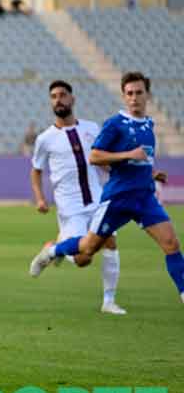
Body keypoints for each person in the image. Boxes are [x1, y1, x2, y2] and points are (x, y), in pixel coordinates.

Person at [30, 72, 184, 305]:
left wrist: (152, 173)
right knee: (87, 251)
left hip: (144, 198)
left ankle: (175, 293)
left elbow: (140, 160)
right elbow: (95, 156)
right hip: (117, 198)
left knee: (171, 244)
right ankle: (54, 250)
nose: (134, 98)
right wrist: (129, 154)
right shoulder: (114, 124)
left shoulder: (149, 125)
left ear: (148, 95)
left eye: (139, 92)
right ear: (123, 96)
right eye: (129, 93)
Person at [29, 80, 125, 314]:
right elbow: (36, 170)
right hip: (70, 207)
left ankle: (109, 301)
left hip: (98, 199)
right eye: (53, 96)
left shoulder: (92, 128)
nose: (58, 99)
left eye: (62, 95)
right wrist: (40, 198)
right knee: (84, 258)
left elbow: (102, 159)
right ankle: (55, 248)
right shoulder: (45, 139)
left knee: (110, 241)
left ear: (72, 99)